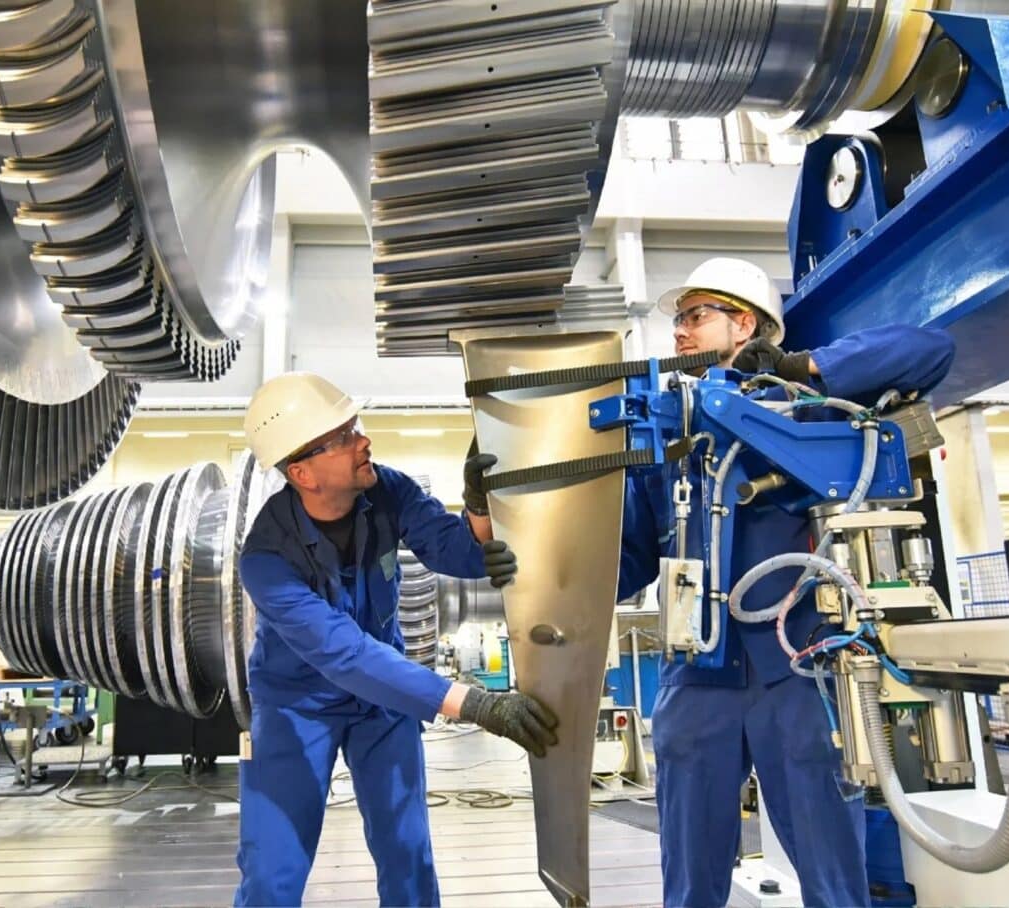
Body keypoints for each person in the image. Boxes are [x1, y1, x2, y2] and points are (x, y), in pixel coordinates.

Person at [618, 257, 956, 908]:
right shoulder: (663, 435)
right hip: (695, 674)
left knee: (834, 878)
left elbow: (930, 349)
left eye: (696, 316)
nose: (679, 333)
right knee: (689, 883)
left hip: (799, 669)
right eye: (678, 320)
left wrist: (801, 369)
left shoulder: (805, 407)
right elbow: (629, 564)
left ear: (745, 323)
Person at [234, 371, 558, 907]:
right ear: (302, 471)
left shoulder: (388, 490)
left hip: (380, 704)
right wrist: (474, 705)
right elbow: (345, 655)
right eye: (341, 437)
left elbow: (452, 550)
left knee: (407, 854)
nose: (363, 440)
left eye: (354, 426)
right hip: (298, 707)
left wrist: (479, 506)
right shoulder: (266, 560)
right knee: (273, 872)